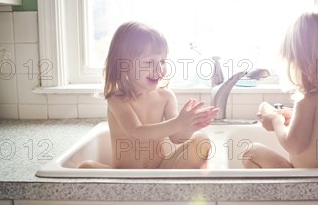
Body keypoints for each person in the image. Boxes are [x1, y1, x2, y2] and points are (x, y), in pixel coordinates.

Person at [79, 22, 219, 169]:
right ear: (124, 65)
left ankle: (166, 185)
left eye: (162, 61)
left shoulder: (166, 97)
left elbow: (176, 138)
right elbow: (136, 133)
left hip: (160, 172)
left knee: (201, 140)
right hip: (125, 176)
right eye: (149, 62)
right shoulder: (117, 98)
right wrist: (178, 122)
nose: (158, 69)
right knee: (86, 167)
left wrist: (189, 127)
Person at [243, 6, 318, 169]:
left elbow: (293, 145)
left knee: (251, 152)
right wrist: (293, 116)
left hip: (305, 184)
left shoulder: (307, 98)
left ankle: (273, 195)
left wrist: (276, 122)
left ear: (303, 62)